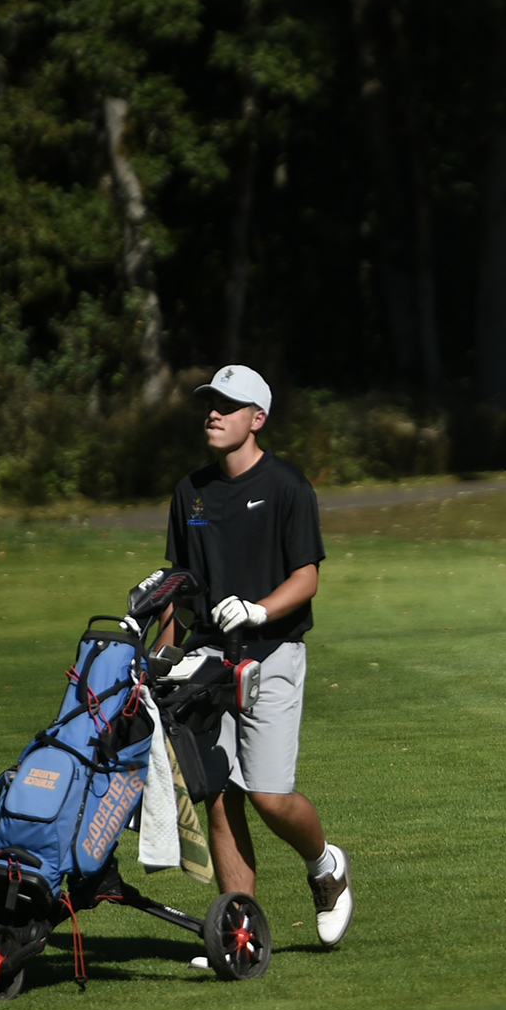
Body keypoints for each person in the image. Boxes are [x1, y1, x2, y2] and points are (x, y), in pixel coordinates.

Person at [163, 363, 354, 948]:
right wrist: (166, 664)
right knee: (218, 796)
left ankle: (326, 866)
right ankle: (236, 934)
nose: (213, 413)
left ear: (258, 419)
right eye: (210, 404)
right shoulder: (190, 492)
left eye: (228, 405)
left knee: (269, 797)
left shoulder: (287, 487)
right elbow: (178, 584)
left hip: (271, 654)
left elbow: (306, 578)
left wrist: (257, 610)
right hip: (207, 664)